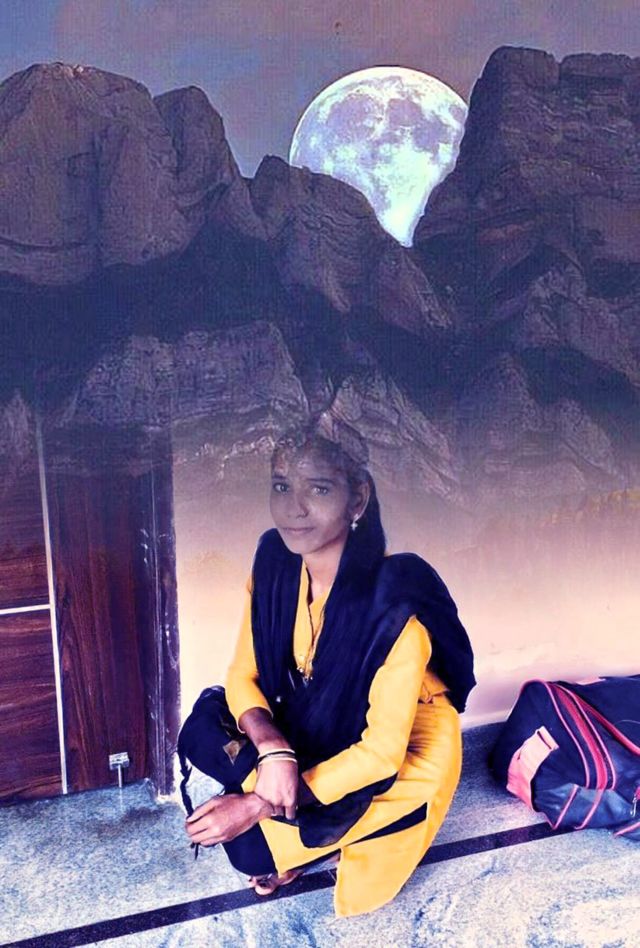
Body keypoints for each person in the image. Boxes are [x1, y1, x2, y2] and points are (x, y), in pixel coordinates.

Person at [179, 423, 475, 917]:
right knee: (202, 732)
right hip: (315, 715)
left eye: (317, 489)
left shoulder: (393, 609)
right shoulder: (274, 562)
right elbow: (241, 675)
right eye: (281, 486)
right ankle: (290, 804)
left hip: (403, 749)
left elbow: (380, 754)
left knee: (248, 849)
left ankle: (312, 827)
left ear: (357, 499)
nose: (293, 508)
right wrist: (273, 750)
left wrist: (258, 804)